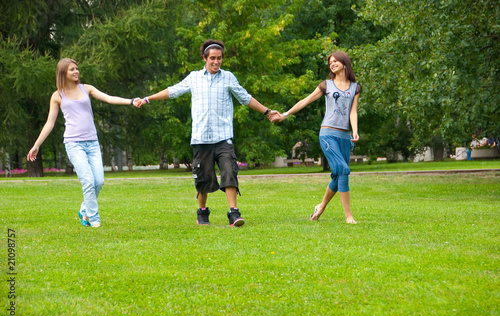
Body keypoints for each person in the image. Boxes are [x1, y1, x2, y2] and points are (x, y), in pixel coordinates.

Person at [136, 39, 278, 227]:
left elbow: (245, 98)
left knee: (229, 171)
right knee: (203, 177)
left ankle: (234, 213)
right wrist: (148, 98)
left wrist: (268, 112)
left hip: (223, 137)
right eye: (212, 58)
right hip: (201, 138)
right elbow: (173, 91)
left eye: (219, 58)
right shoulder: (194, 78)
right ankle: (202, 212)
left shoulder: (228, 77)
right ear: (204, 58)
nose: (216, 62)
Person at [27, 58, 139, 228]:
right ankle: (94, 220)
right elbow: (50, 123)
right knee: (87, 181)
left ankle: (84, 210)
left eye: (77, 68)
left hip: (92, 143)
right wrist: (36, 145)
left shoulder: (87, 89)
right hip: (74, 144)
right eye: (72, 69)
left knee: (98, 182)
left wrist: (130, 101)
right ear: (63, 72)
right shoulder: (57, 96)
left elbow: (109, 98)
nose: (76, 71)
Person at [271, 51, 361, 224]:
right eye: (330, 62)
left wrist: (355, 130)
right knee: (343, 170)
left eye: (335, 61)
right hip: (328, 134)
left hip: (344, 136)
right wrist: (285, 114)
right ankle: (348, 216)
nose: (332, 64)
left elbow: (353, 111)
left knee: (338, 175)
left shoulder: (355, 87)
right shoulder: (326, 85)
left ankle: (320, 207)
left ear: (344, 63)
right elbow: (306, 101)